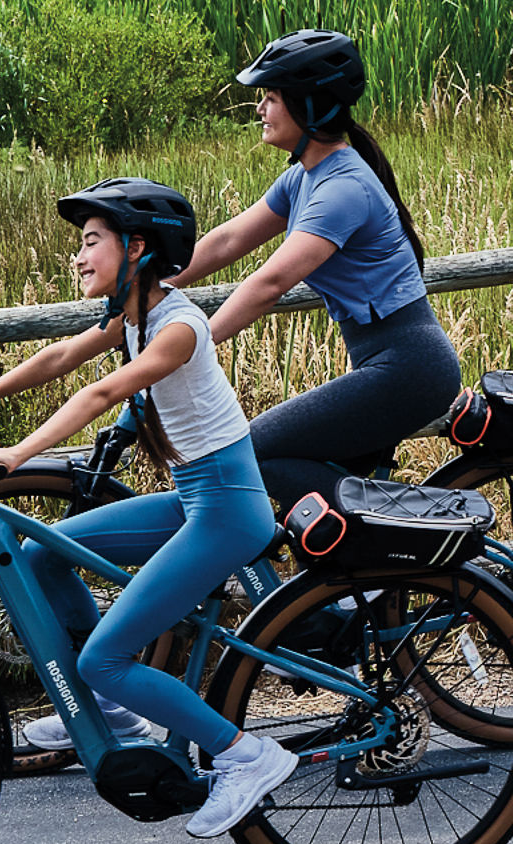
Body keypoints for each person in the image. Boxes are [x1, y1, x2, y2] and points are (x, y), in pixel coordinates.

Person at [0, 178, 301, 838]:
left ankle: (247, 756)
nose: (78, 257)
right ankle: (118, 714)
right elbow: (63, 356)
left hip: (227, 511)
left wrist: (17, 452)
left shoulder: (178, 328)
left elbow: (103, 392)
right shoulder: (131, 317)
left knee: (102, 657)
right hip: (196, 498)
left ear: (137, 247)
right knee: (43, 555)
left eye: (90, 242)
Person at [177, 28, 460, 508]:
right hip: (386, 366)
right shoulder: (304, 178)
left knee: (253, 455)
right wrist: (155, 280)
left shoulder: (342, 189)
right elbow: (228, 240)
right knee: (298, 475)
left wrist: (191, 344)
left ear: (309, 105)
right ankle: (362, 576)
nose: (261, 110)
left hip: (408, 371)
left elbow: (270, 283)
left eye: (270, 97)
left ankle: (408, 521)